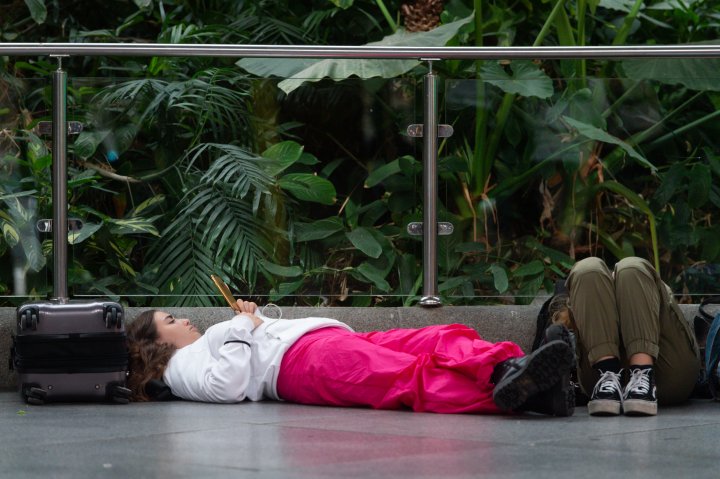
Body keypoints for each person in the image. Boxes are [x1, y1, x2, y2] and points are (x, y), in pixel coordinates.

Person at [126, 299, 576, 416]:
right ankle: (524, 394)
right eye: (170, 319)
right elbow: (226, 387)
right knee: (408, 377)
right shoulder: (178, 367)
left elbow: (235, 356)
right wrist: (242, 325)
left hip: (324, 342)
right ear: (155, 342)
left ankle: (510, 368)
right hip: (304, 363)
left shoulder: (200, 346)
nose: (183, 320)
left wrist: (247, 323)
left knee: (437, 336)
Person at [546, 256, 701, 417]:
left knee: (632, 267)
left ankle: (643, 371)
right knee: (586, 269)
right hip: (598, 382)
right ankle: (607, 373)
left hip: (668, 373)